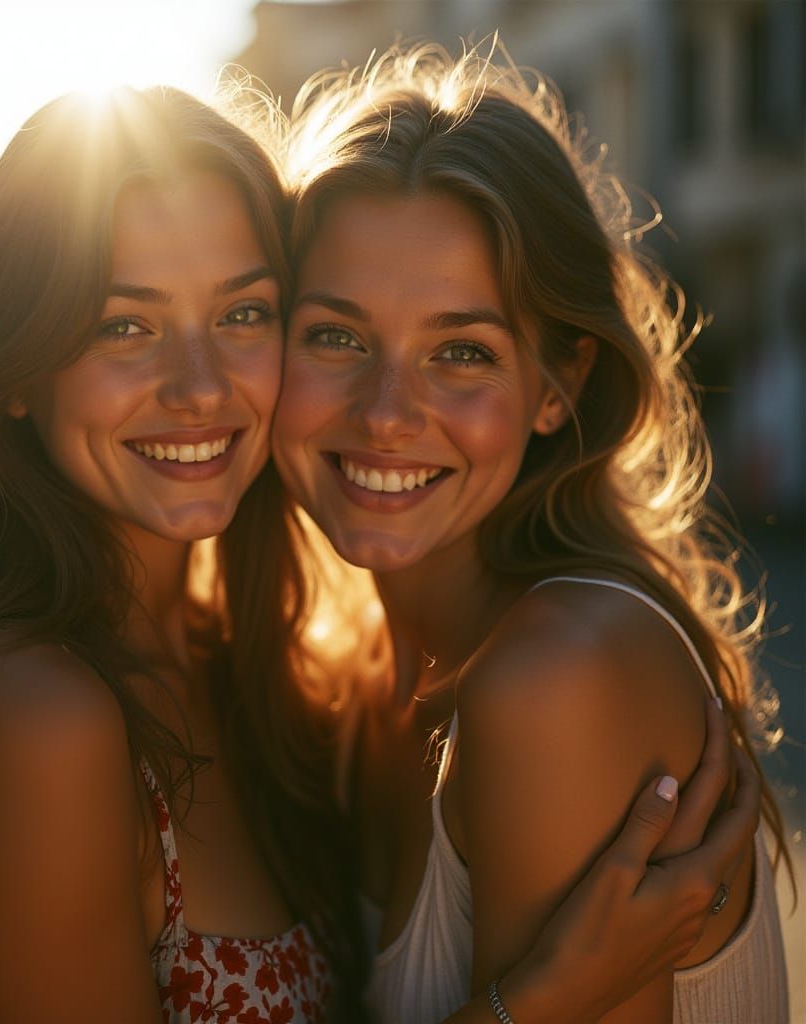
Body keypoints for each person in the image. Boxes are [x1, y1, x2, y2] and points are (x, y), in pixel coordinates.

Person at [0, 81, 764, 1024]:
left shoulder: (284, 685)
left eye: (243, 313)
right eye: (123, 323)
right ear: (16, 369)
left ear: (558, 383)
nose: (200, 388)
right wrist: (539, 1001)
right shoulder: (32, 717)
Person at [273, 43, 792, 1023]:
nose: (387, 413)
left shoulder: (559, 674)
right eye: (336, 335)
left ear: (558, 386)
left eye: (460, 351)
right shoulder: (348, 671)